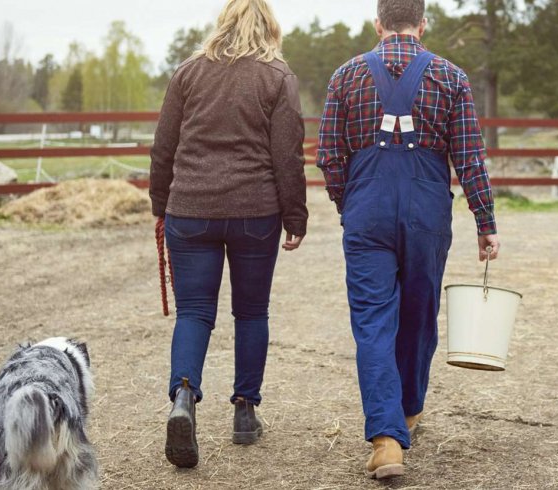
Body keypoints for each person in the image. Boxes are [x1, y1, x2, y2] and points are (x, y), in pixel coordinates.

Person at [316, 0, 500, 479]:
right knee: (419, 314)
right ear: (422, 24)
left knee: (374, 322)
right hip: (427, 211)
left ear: (378, 24)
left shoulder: (345, 76)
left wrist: (349, 203)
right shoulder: (451, 77)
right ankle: (409, 413)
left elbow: (329, 156)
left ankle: (386, 439)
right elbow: (470, 157)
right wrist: (486, 221)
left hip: (367, 210)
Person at [150, 0, 308, 469]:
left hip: (191, 209)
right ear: (270, 29)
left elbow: (164, 146)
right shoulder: (278, 77)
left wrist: (162, 205)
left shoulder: (188, 73)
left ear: (222, 25)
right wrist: (295, 217)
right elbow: (288, 156)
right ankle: (245, 412)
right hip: (254, 212)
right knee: (251, 311)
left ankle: (183, 397)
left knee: (194, 312)